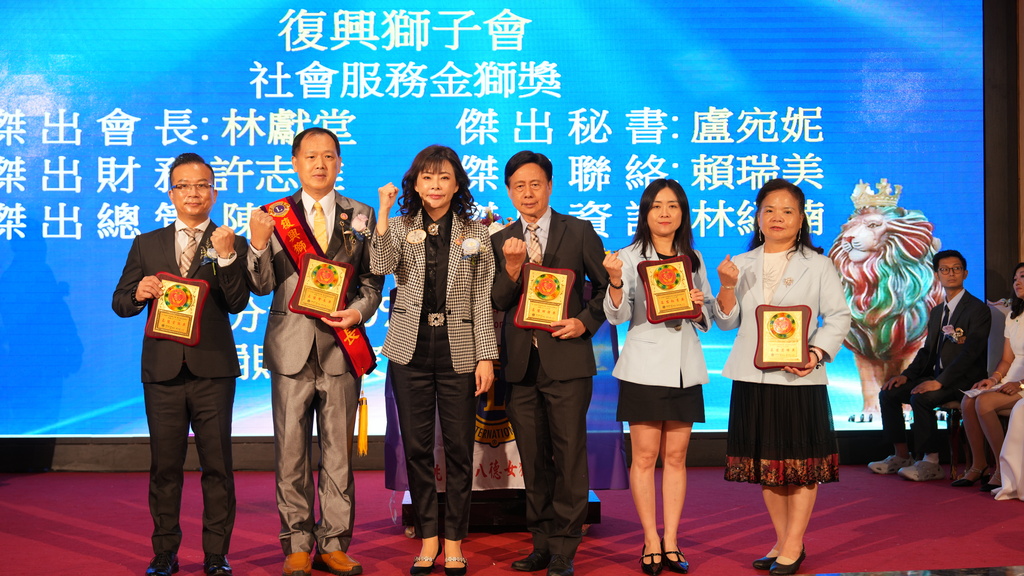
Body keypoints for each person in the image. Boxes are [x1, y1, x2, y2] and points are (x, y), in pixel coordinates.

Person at [248, 128, 383, 576]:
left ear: (339, 162)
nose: (320, 164)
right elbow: (261, 285)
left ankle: (334, 544)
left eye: (328, 156)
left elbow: (372, 281)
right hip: (290, 349)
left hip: (340, 349)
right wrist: (258, 244)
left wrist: (358, 312)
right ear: (295, 162)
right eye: (311, 156)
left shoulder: (361, 215)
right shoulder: (273, 216)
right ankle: (296, 544)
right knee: (291, 454)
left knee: (338, 454)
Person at [112, 152, 249, 576]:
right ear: (171, 193)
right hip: (163, 372)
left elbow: (237, 302)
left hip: (213, 370)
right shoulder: (147, 243)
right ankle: (164, 553)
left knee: (218, 466)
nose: (193, 192)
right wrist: (139, 293)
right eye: (184, 185)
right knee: (165, 467)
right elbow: (120, 302)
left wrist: (226, 258)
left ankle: (216, 555)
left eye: (202, 185)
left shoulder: (230, 241)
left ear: (214, 192)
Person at [371, 144, 498, 576]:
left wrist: (487, 356)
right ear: (416, 183)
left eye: (444, 177)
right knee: (417, 448)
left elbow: (481, 299)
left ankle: (455, 541)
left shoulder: (477, 233)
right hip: (410, 348)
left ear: (457, 184)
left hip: (459, 349)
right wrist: (383, 211)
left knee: (460, 449)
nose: (436, 185)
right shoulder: (400, 226)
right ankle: (428, 538)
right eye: (427, 177)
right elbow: (380, 263)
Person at [714, 178, 851, 576]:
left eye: (787, 211)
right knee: (767, 467)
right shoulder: (740, 264)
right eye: (769, 210)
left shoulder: (819, 264)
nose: (778, 217)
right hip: (752, 376)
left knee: (801, 466)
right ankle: (783, 540)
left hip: (799, 377)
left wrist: (815, 353)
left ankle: (793, 543)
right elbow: (726, 321)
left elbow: (838, 317)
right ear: (757, 217)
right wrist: (727, 287)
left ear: (801, 218)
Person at [491, 150, 609, 576]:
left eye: (535, 184)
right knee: (534, 459)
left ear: (550, 186)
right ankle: (541, 543)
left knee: (569, 456)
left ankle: (565, 547)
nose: (528, 193)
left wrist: (584, 322)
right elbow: (498, 300)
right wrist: (511, 267)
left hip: (567, 362)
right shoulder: (500, 239)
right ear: (509, 192)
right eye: (519, 186)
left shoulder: (578, 231)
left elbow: (606, 289)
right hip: (521, 366)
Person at [602, 179, 717, 575]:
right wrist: (615, 281)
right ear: (645, 213)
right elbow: (617, 315)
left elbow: (707, 317)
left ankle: (672, 540)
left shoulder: (693, 258)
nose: (665, 213)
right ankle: (651, 538)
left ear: (683, 213)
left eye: (672, 206)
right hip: (645, 367)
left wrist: (699, 305)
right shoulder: (628, 256)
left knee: (677, 457)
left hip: (685, 367)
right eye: (657, 206)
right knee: (645, 456)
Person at [868, 249, 990, 482]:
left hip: (964, 381)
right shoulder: (937, 312)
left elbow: (970, 353)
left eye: (956, 269)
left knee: (921, 398)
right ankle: (901, 456)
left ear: (965, 273)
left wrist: (939, 382)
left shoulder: (978, 309)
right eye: (944, 269)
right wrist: (906, 376)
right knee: (889, 392)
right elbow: (927, 352)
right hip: (938, 377)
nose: (951, 273)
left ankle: (930, 462)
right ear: (937, 275)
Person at [956, 263, 1024, 490]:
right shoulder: (1013, 317)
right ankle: (979, 466)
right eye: (1014, 278)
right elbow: (1006, 359)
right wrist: (993, 379)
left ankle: (1002, 468)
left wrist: (1020, 384)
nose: (1017, 282)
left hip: (1022, 384)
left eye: (1022, 277)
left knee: (984, 403)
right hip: (1010, 381)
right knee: (968, 401)